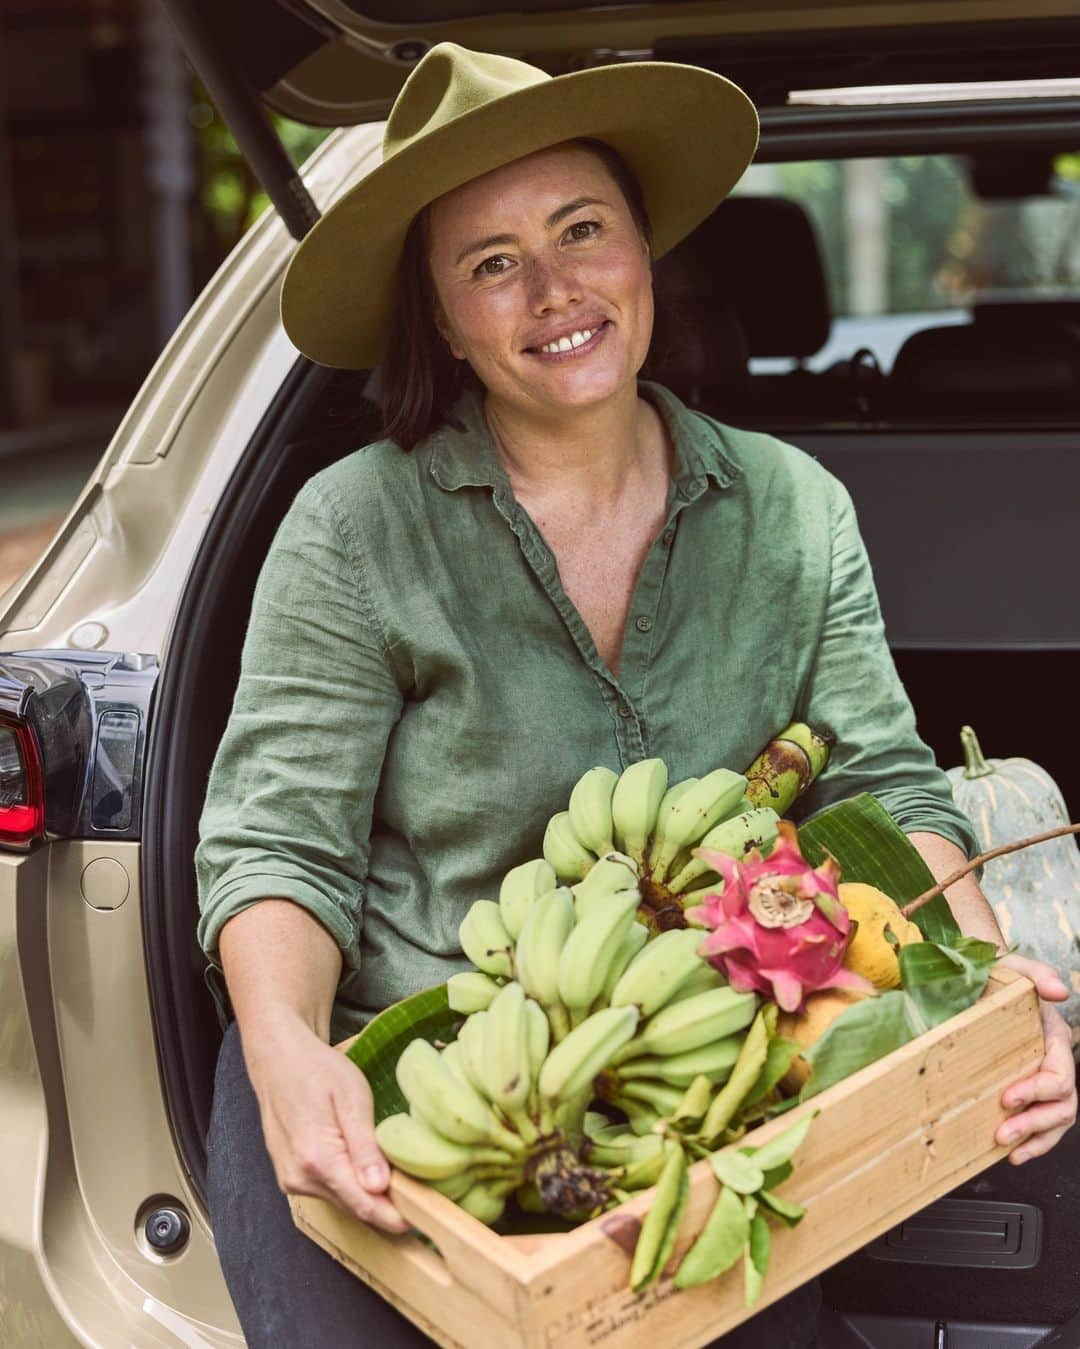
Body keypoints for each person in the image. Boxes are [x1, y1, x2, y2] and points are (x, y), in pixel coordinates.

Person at [194, 42, 1077, 1348]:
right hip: (409, 1085)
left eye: (581, 230)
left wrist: (978, 993)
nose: (554, 289)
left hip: (697, 1092)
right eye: (492, 261)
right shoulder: (355, 529)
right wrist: (284, 1046)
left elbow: (881, 792)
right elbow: (280, 844)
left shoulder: (789, 511)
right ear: (439, 316)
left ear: (643, 250)